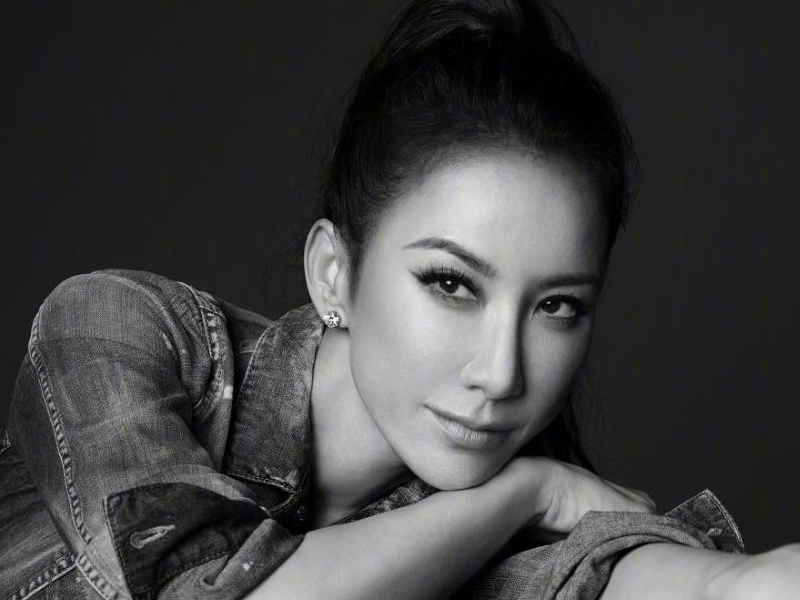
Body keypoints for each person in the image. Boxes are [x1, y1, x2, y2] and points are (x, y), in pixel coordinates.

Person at [1, 0, 799, 598]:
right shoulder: (117, 330)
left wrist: (743, 582)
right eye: (451, 284)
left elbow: (612, 578)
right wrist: (530, 491)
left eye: (557, 307)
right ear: (333, 274)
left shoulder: (480, 535)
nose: (501, 374)